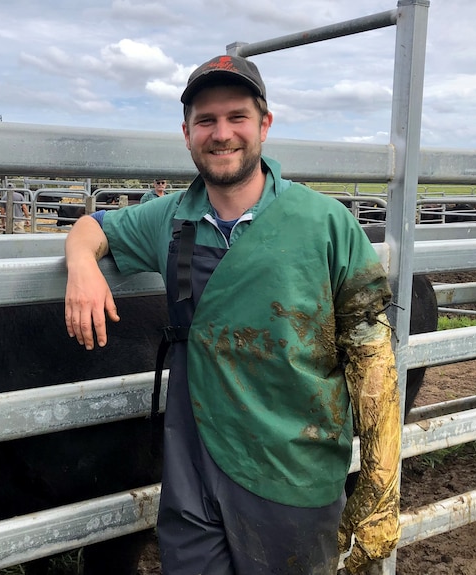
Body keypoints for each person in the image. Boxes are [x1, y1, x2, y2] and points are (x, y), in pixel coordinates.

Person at [63, 54, 401, 575]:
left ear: (265, 124)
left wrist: (380, 492)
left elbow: (374, 359)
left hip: (290, 474)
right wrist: (82, 263)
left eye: (237, 117)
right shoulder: (171, 218)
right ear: (187, 133)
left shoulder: (326, 224)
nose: (222, 134)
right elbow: (93, 226)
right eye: (206, 121)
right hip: (192, 472)